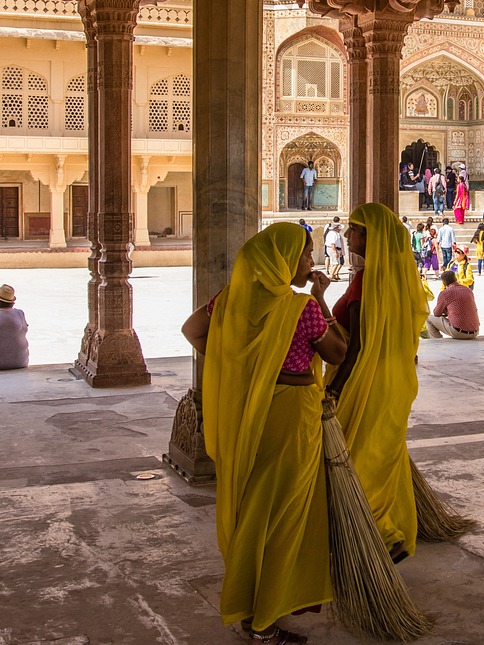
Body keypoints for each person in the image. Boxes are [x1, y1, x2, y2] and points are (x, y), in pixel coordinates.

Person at [181, 222, 347, 643]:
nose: (310, 262)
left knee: (254, 506)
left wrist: (242, 363)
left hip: (249, 411)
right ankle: (263, 618)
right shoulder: (300, 309)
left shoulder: (232, 301)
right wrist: (320, 299)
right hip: (290, 415)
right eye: (305, 255)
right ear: (282, 261)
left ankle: (247, 603)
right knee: (284, 513)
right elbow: (337, 352)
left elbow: (193, 330)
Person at [329, 203, 428, 564]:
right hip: (395, 380)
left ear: (370, 237)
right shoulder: (401, 278)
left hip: (366, 380)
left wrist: (335, 388)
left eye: (353, 230)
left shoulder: (365, 281)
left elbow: (356, 345)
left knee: (358, 459)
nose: (347, 235)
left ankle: (381, 536)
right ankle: (388, 530)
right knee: (383, 455)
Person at [424, 270, 480, 339]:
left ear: (444, 283)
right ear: (456, 278)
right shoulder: (468, 290)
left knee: (428, 319)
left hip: (459, 332)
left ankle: (437, 341)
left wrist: (446, 311)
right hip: (476, 331)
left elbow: (436, 313)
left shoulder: (445, 293)